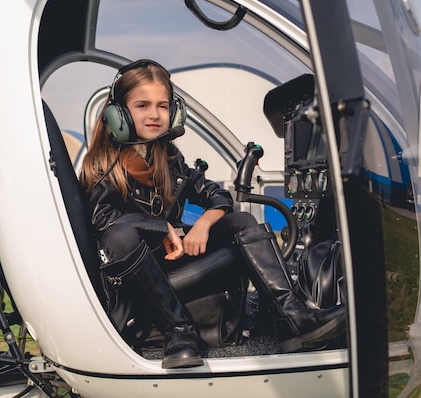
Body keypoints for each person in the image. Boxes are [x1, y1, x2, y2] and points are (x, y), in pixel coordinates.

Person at [79, 59, 346, 369]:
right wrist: (161, 226)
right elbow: (104, 225)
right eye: (142, 105)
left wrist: (203, 224)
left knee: (242, 222)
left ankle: (292, 319)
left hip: (172, 268)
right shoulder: (100, 167)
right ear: (119, 114)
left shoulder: (170, 160)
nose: (154, 114)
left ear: (175, 113)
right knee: (121, 234)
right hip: (134, 287)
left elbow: (216, 195)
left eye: (163, 106)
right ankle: (178, 331)